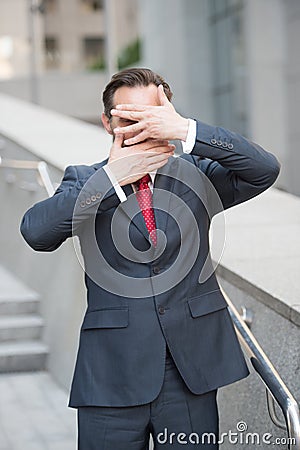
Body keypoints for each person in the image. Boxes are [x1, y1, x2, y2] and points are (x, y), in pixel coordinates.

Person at [20, 68, 280, 449]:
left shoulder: (197, 176)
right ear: (107, 123)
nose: (141, 129)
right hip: (112, 376)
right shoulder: (85, 179)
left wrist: (187, 130)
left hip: (190, 373)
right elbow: (36, 232)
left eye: (150, 118)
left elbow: (264, 170)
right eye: (129, 119)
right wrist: (112, 177)